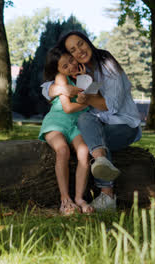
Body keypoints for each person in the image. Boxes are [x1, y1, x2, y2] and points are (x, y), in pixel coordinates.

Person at [41, 31, 142, 211]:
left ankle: (106, 194)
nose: (79, 51)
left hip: (123, 125)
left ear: (88, 41)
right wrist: (63, 88)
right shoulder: (77, 72)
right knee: (85, 118)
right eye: (72, 50)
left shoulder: (107, 64)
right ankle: (100, 160)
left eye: (80, 44)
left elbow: (110, 105)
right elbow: (47, 88)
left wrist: (84, 96)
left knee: (94, 137)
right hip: (93, 125)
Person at [38, 46, 95, 215]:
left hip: (76, 125)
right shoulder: (61, 78)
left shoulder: (83, 79)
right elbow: (68, 108)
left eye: (71, 60)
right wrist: (86, 101)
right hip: (57, 123)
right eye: (65, 66)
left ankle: (79, 198)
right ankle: (65, 200)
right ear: (58, 70)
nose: (71, 66)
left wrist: (85, 80)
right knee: (62, 150)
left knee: (84, 151)